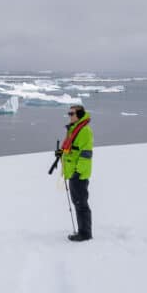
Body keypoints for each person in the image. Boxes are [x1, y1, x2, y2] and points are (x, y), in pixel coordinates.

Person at [55, 104, 94, 242]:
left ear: (79, 115)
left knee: (81, 203)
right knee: (78, 202)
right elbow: (71, 148)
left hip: (78, 174)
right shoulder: (74, 129)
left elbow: (85, 154)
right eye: (69, 113)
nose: (69, 116)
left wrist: (78, 172)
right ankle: (82, 231)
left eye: (72, 114)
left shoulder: (84, 131)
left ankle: (85, 233)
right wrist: (61, 153)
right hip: (73, 172)